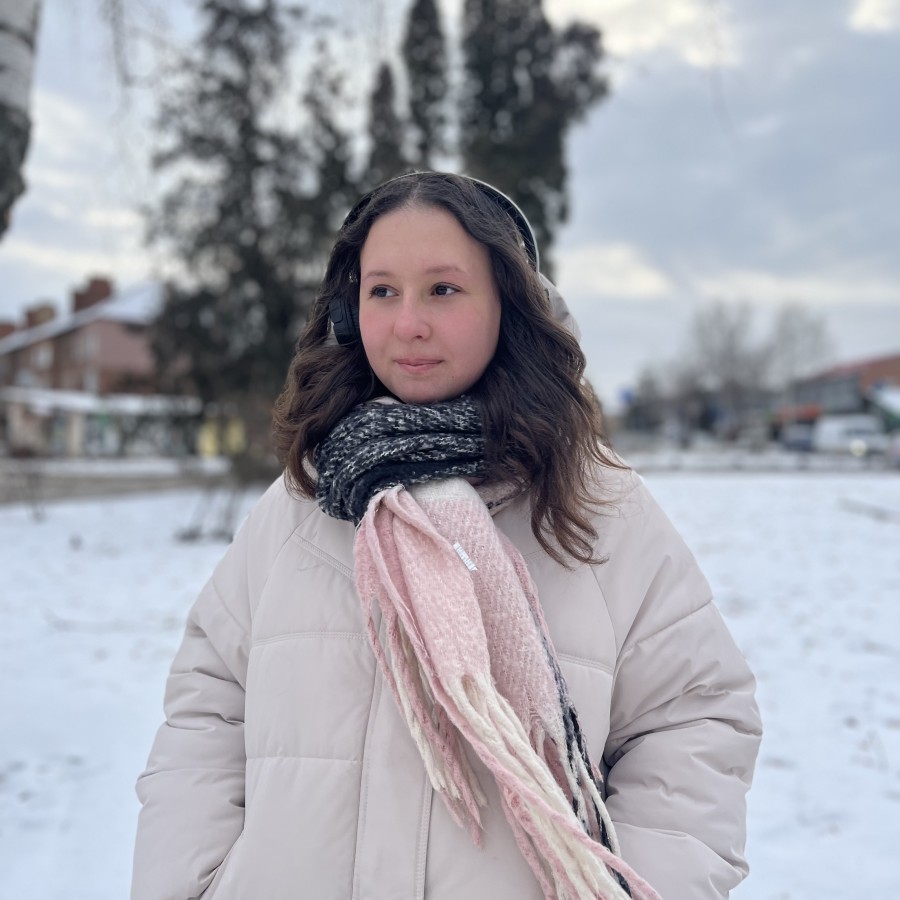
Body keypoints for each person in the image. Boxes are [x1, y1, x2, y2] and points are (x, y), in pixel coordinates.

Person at [131, 172, 761, 900]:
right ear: (348, 311)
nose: (408, 324)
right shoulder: (304, 501)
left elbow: (694, 717)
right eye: (382, 291)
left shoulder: (596, 504)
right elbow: (210, 701)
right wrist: (195, 882)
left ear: (508, 307)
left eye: (443, 289)